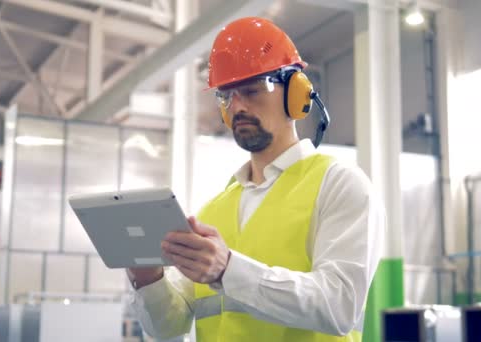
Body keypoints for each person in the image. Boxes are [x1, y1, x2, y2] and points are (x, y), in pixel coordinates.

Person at [126, 16, 385, 342]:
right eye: (227, 95)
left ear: (296, 92)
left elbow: (340, 306)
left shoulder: (339, 185)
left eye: (252, 90)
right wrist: (148, 280)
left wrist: (228, 270)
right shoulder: (212, 211)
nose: (238, 107)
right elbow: (169, 327)